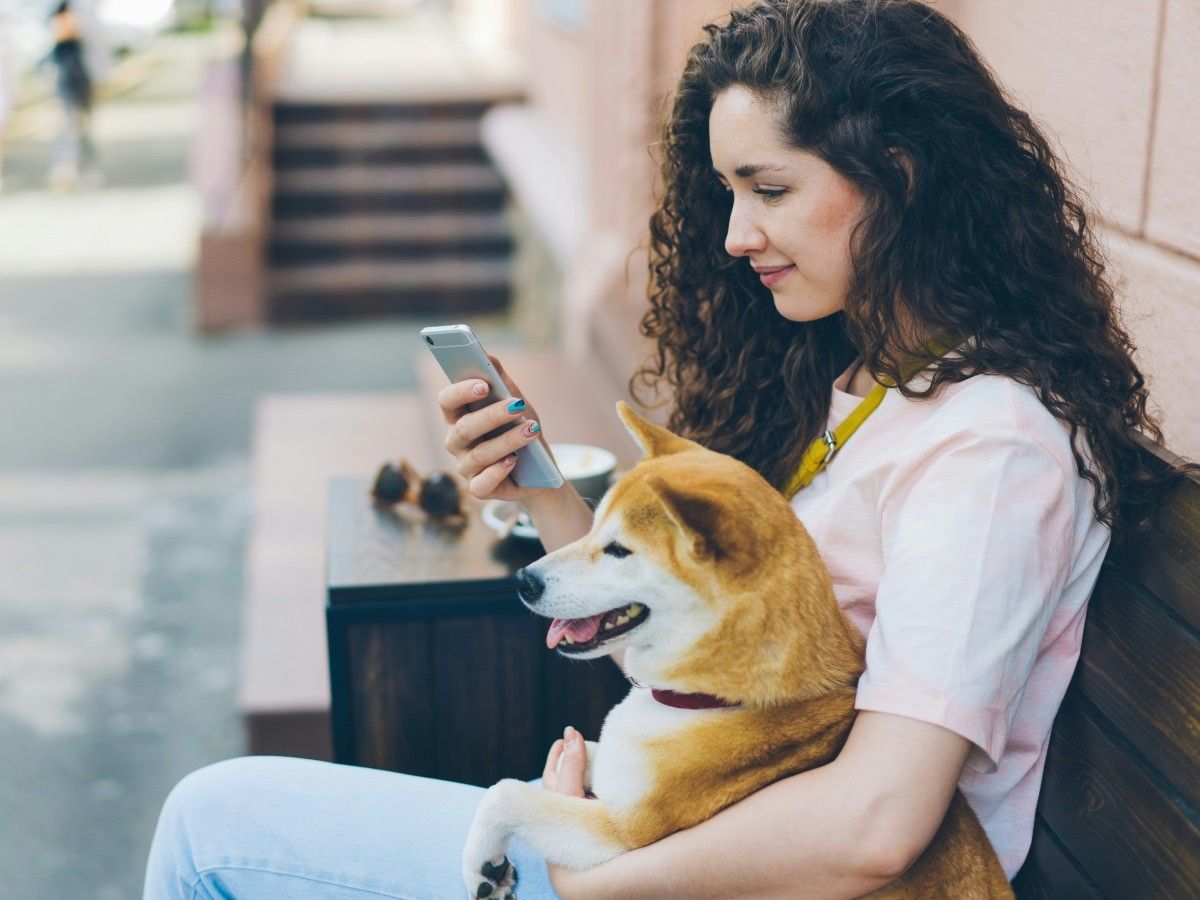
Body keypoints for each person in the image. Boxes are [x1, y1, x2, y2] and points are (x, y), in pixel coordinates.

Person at [143, 1, 1187, 897]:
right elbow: (715, 647)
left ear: (898, 178)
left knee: (211, 826)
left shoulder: (988, 450)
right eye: (728, 192)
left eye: (769, 189)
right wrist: (536, 480)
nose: (734, 235)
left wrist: (594, 877)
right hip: (686, 830)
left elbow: (877, 824)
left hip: (725, 870)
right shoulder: (873, 388)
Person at [45, 0, 99, 190]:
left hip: (81, 73)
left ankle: (84, 169)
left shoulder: (82, 8)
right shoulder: (56, 10)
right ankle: (67, 170)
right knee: (70, 124)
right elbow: (61, 32)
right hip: (67, 75)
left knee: (83, 124)